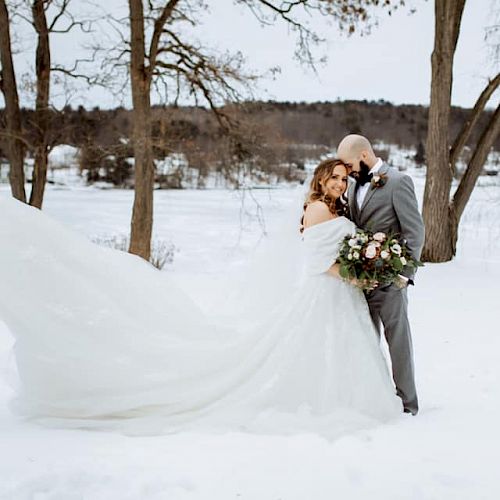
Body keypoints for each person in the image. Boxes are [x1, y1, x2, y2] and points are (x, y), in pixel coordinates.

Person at [0, 159, 402, 438]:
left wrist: (362, 267)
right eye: (332, 177)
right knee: (308, 350)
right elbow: (318, 263)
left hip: (341, 295)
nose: (338, 183)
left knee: (334, 353)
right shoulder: (316, 209)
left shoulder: (337, 207)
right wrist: (354, 275)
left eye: (341, 178)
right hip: (326, 292)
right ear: (320, 179)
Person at [337, 134, 425, 415]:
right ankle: (375, 398)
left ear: (363, 155)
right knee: (364, 340)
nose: (348, 172)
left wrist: (405, 275)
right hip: (359, 281)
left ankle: (408, 404)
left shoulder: (398, 182)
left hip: (390, 281)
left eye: (350, 164)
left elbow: (415, 232)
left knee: (398, 342)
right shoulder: (351, 186)